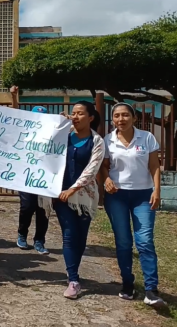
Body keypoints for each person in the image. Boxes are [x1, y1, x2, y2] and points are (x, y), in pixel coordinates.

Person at [100, 103, 165, 307]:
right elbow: (103, 166)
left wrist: (157, 190)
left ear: (134, 118)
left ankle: (151, 290)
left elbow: (154, 166)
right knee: (124, 242)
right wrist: (105, 179)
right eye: (117, 116)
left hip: (143, 196)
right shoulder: (107, 140)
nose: (121, 119)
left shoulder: (147, 138)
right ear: (113, 120)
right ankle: (127, 283)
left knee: (145, 241)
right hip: (117, 196)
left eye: (126, 115)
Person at [45, 101, 105, 299]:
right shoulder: (64, 135)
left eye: (80, 113)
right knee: (69, 235)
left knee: (81, 238)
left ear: (91, 117)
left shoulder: (97, 141)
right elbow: (43, 146)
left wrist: (73, 189)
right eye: (73, 113)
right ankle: (73, 279)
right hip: (61, 195)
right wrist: (58, 124)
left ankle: (74, 272)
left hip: (85, 198)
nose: (75, 117)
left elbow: (92, 170)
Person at [9, 86, 50, 255]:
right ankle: (22, 234)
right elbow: (14, 116)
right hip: (26, 175)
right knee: (27, 206)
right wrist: (13, 97)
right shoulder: (24, 130)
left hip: (47, 177)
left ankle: (39, 240)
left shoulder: (53, 133)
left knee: (43, 210)